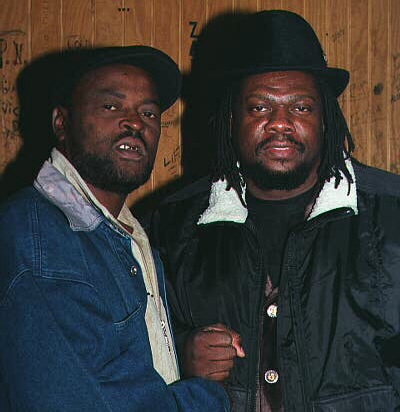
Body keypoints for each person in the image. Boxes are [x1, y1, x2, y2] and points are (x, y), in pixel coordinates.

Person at [150, 10, 400, 412]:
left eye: (300, 108)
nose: (280, 123)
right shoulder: (172, 226)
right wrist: (180, 353)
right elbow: (128, 355)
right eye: (259, 108)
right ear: (231, 118)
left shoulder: (391, 213)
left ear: (326, 118)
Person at [0, 45, 229, 411]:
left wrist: (184, 355)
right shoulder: (38, 237)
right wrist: (208, 393)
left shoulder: (124, 234)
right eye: (111, 106)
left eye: (148, 112)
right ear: (61, 123)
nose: (135, 123)